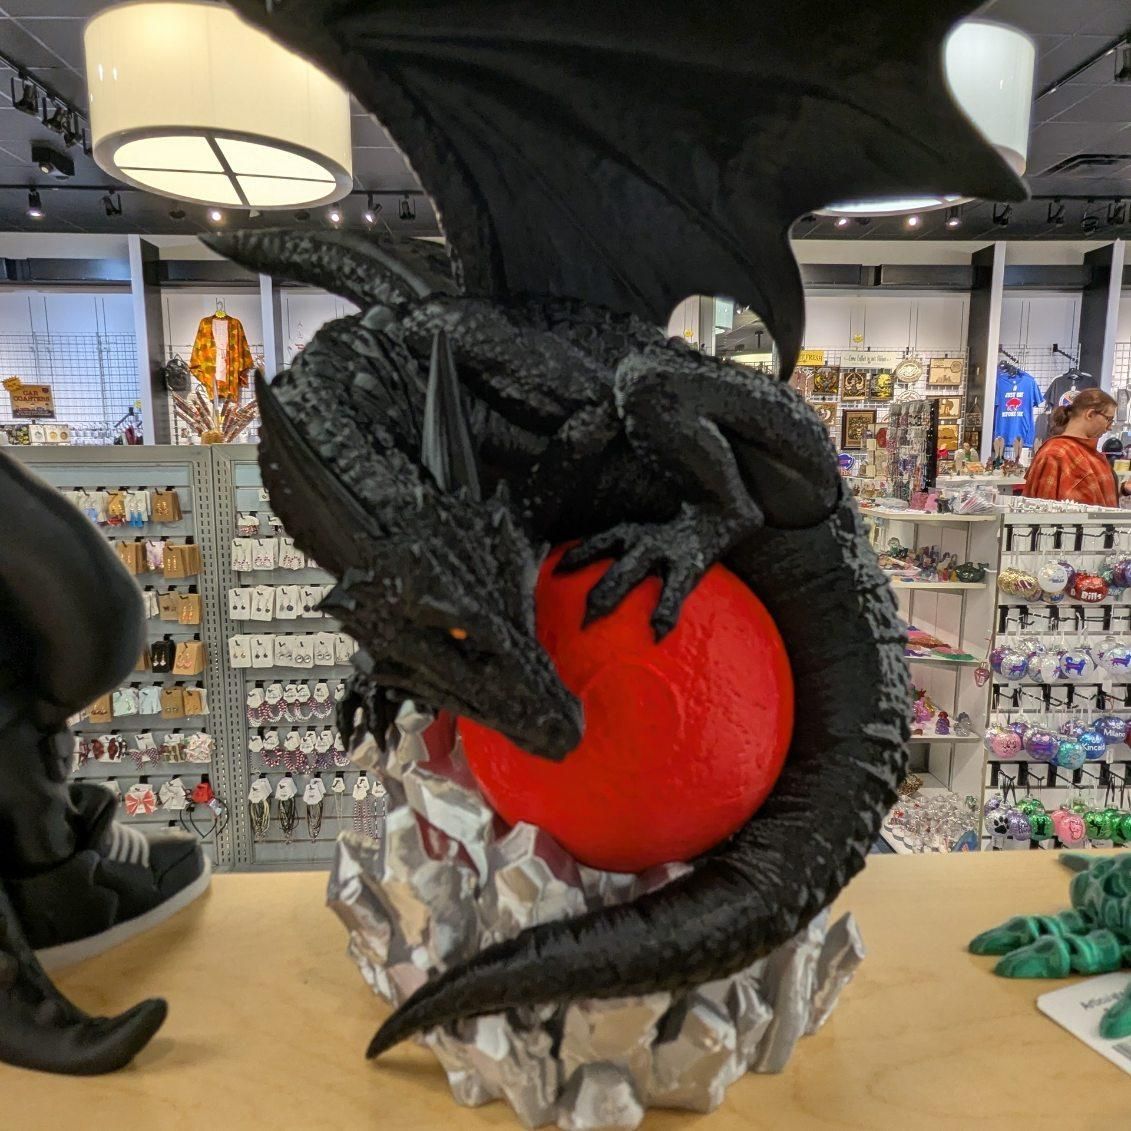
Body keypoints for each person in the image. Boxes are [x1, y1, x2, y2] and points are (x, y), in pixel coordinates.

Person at [1023, 388, 1131, 507]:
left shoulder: (1089, 453)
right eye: (1108, 419)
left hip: (1095, 525)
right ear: (1090, 414)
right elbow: (1041, 511)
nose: (1109, 427)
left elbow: (1095, 499)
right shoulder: (1055, 454)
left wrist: (1123, 489)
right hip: (1073, 525)